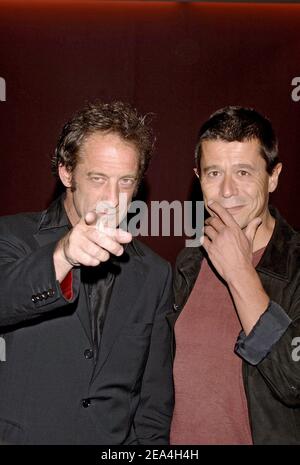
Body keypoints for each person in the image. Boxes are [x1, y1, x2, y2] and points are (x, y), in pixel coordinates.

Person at [0, 101, 173, 445]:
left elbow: (153, 402)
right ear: (67, 172)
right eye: (98, 178)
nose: (113, 197)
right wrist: (62, 256)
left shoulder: (155, 273)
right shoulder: (12, 237)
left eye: (126, 181)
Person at [169, 106, 300, 445]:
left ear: (274, 176)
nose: (227, 191)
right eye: (214, 174)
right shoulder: (188, 263)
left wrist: (240, 272)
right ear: (199, 178)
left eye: (243, 172)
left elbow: (294, 379)